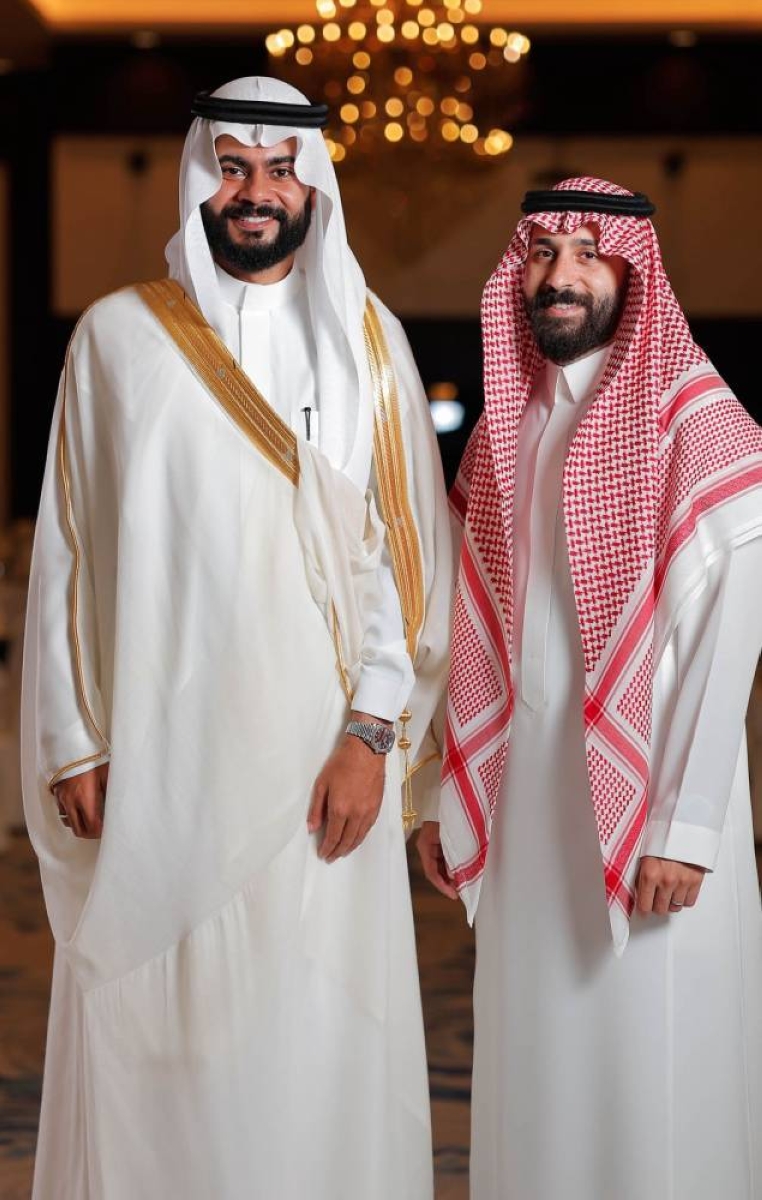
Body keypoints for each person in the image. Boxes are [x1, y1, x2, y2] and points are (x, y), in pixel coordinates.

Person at [22, 77, 452, 1200]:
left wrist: (372, 734)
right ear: (198, 180)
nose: (256, 192)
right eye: (233, 168)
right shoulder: (117, 339)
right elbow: (69, 547)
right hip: (158, 757)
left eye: (280, 171)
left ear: (315, 188)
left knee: (310, 1041)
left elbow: (407, 565)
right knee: (159, 1042)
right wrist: (73, 741)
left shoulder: (367, 345)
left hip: (321, 766)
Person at [418, 176, 762, 1200]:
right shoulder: (507, 425)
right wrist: (444, 792)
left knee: (651, 1066)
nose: (558, 276)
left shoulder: (701, 425)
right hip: (525, 805)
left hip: (652, 808)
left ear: (631, 273)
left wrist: (683, 827)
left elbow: (728, 638)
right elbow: (471, 626)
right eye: (540, 253)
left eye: (585, 253)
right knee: (534, 1064)